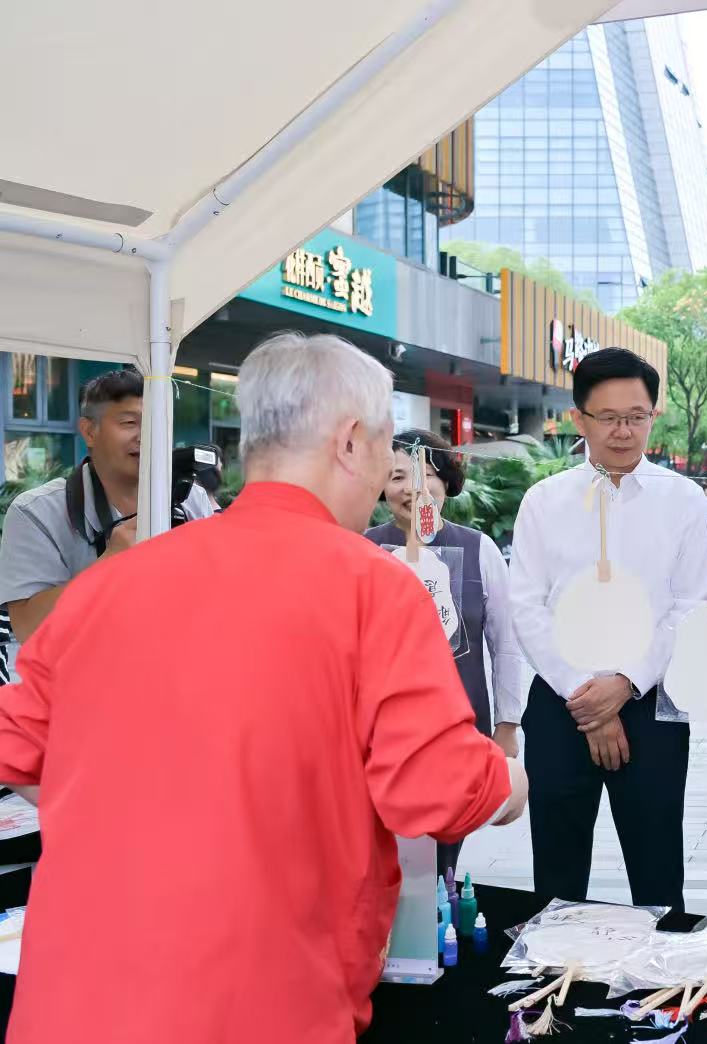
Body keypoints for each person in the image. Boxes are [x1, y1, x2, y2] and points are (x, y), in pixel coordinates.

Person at [0, 332, 528, 1043]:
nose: (387, 472)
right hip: (258, 1000)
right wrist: (509, 780)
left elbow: (19, 746)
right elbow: (439, 788)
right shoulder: (372, 586)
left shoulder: (107, 586)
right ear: (351, 442)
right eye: (385, 448)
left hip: (72, 999)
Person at [509, 347, 707, 911]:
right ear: (579, 419)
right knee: (556, 875)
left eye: (636, 416)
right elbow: (526, 606)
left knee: (658, 875)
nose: (624, 431)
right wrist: (586, 697)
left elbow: (690, 605)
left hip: (651, 704)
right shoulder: (544, 501)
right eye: (609, 417)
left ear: (653, 415)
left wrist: (625, 683)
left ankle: (662, 968)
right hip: (560, 703)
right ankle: (553, 967)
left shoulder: (685, 501)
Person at [366, 429, 529, 877]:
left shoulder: (479, 549)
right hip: (380, 732)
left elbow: (505, 644)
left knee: (443, 852)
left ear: (446, 482)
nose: (413, 488)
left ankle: (441, 909)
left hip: (459, 726)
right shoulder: (364, 547)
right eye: (398, 476)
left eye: (427, 474)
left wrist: (507, 725)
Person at [0, 369, 214, 645]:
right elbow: (29, 629)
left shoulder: (190, 499)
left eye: (157, 422)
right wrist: (108, 565)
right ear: (89, 431)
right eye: (130, 422)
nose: (146, 436)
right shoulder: (36, 513)